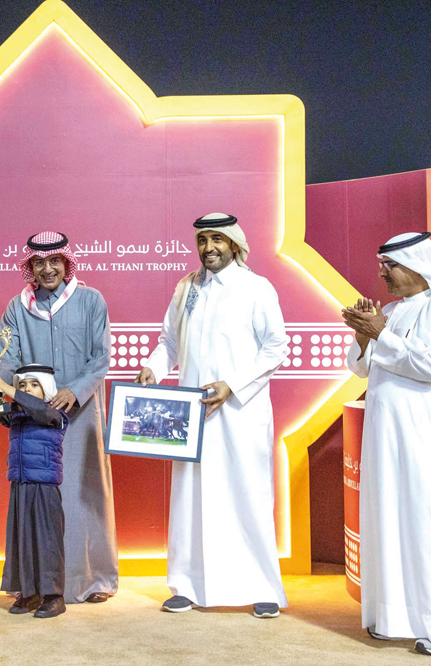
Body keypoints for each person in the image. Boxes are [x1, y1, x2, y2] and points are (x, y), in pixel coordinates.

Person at [136, 212, 289, 619]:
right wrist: (155, 367)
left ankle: (262, 587)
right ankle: (187, 585)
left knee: (248, 497)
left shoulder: (256, 288)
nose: (209, 248)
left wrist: (232, 386)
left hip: (240, 412)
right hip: (192, 414)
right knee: (191, 498)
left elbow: (276, 348)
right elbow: (169, 341)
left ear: (234, 244)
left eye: (217, 240)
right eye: (203, 240)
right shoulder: (187, 287)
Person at [342, 232, 431, 656]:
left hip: (429, 437)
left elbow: (428, 364)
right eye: (382, 265)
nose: (382, 272)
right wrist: (365, 336)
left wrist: (379, 332)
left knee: (427, 526)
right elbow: (363, 369)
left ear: (418, 266)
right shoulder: (395, 310)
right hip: (388, 436)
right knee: (388, 518)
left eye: (391, 265)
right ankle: (393, 618)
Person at [0, 231, 117, 604]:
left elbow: (101, 359)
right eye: (39, 263)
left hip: (81, 412)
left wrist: (74, 390)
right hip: (35, 418)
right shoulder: (17, 308)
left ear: (67, 263)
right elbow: (6, 360)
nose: (47, 269)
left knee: (84, 497)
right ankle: (36, 584)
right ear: (29, 267)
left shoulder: (90, 300)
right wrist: (24, 398)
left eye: (55, 261)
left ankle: (92, 579)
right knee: (36, 501)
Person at [0, 364, 68, 619]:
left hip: (44, 485)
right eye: (22, 385)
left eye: (34, 384)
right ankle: (29, 592)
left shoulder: (55, 412)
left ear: (46, 389)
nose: (27, 389)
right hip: (20, 483)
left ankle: (54, 596)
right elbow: (3, 412)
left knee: (47, 541)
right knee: (22, 538)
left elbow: (40, 411)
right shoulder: (20, 415)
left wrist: (5, 387)